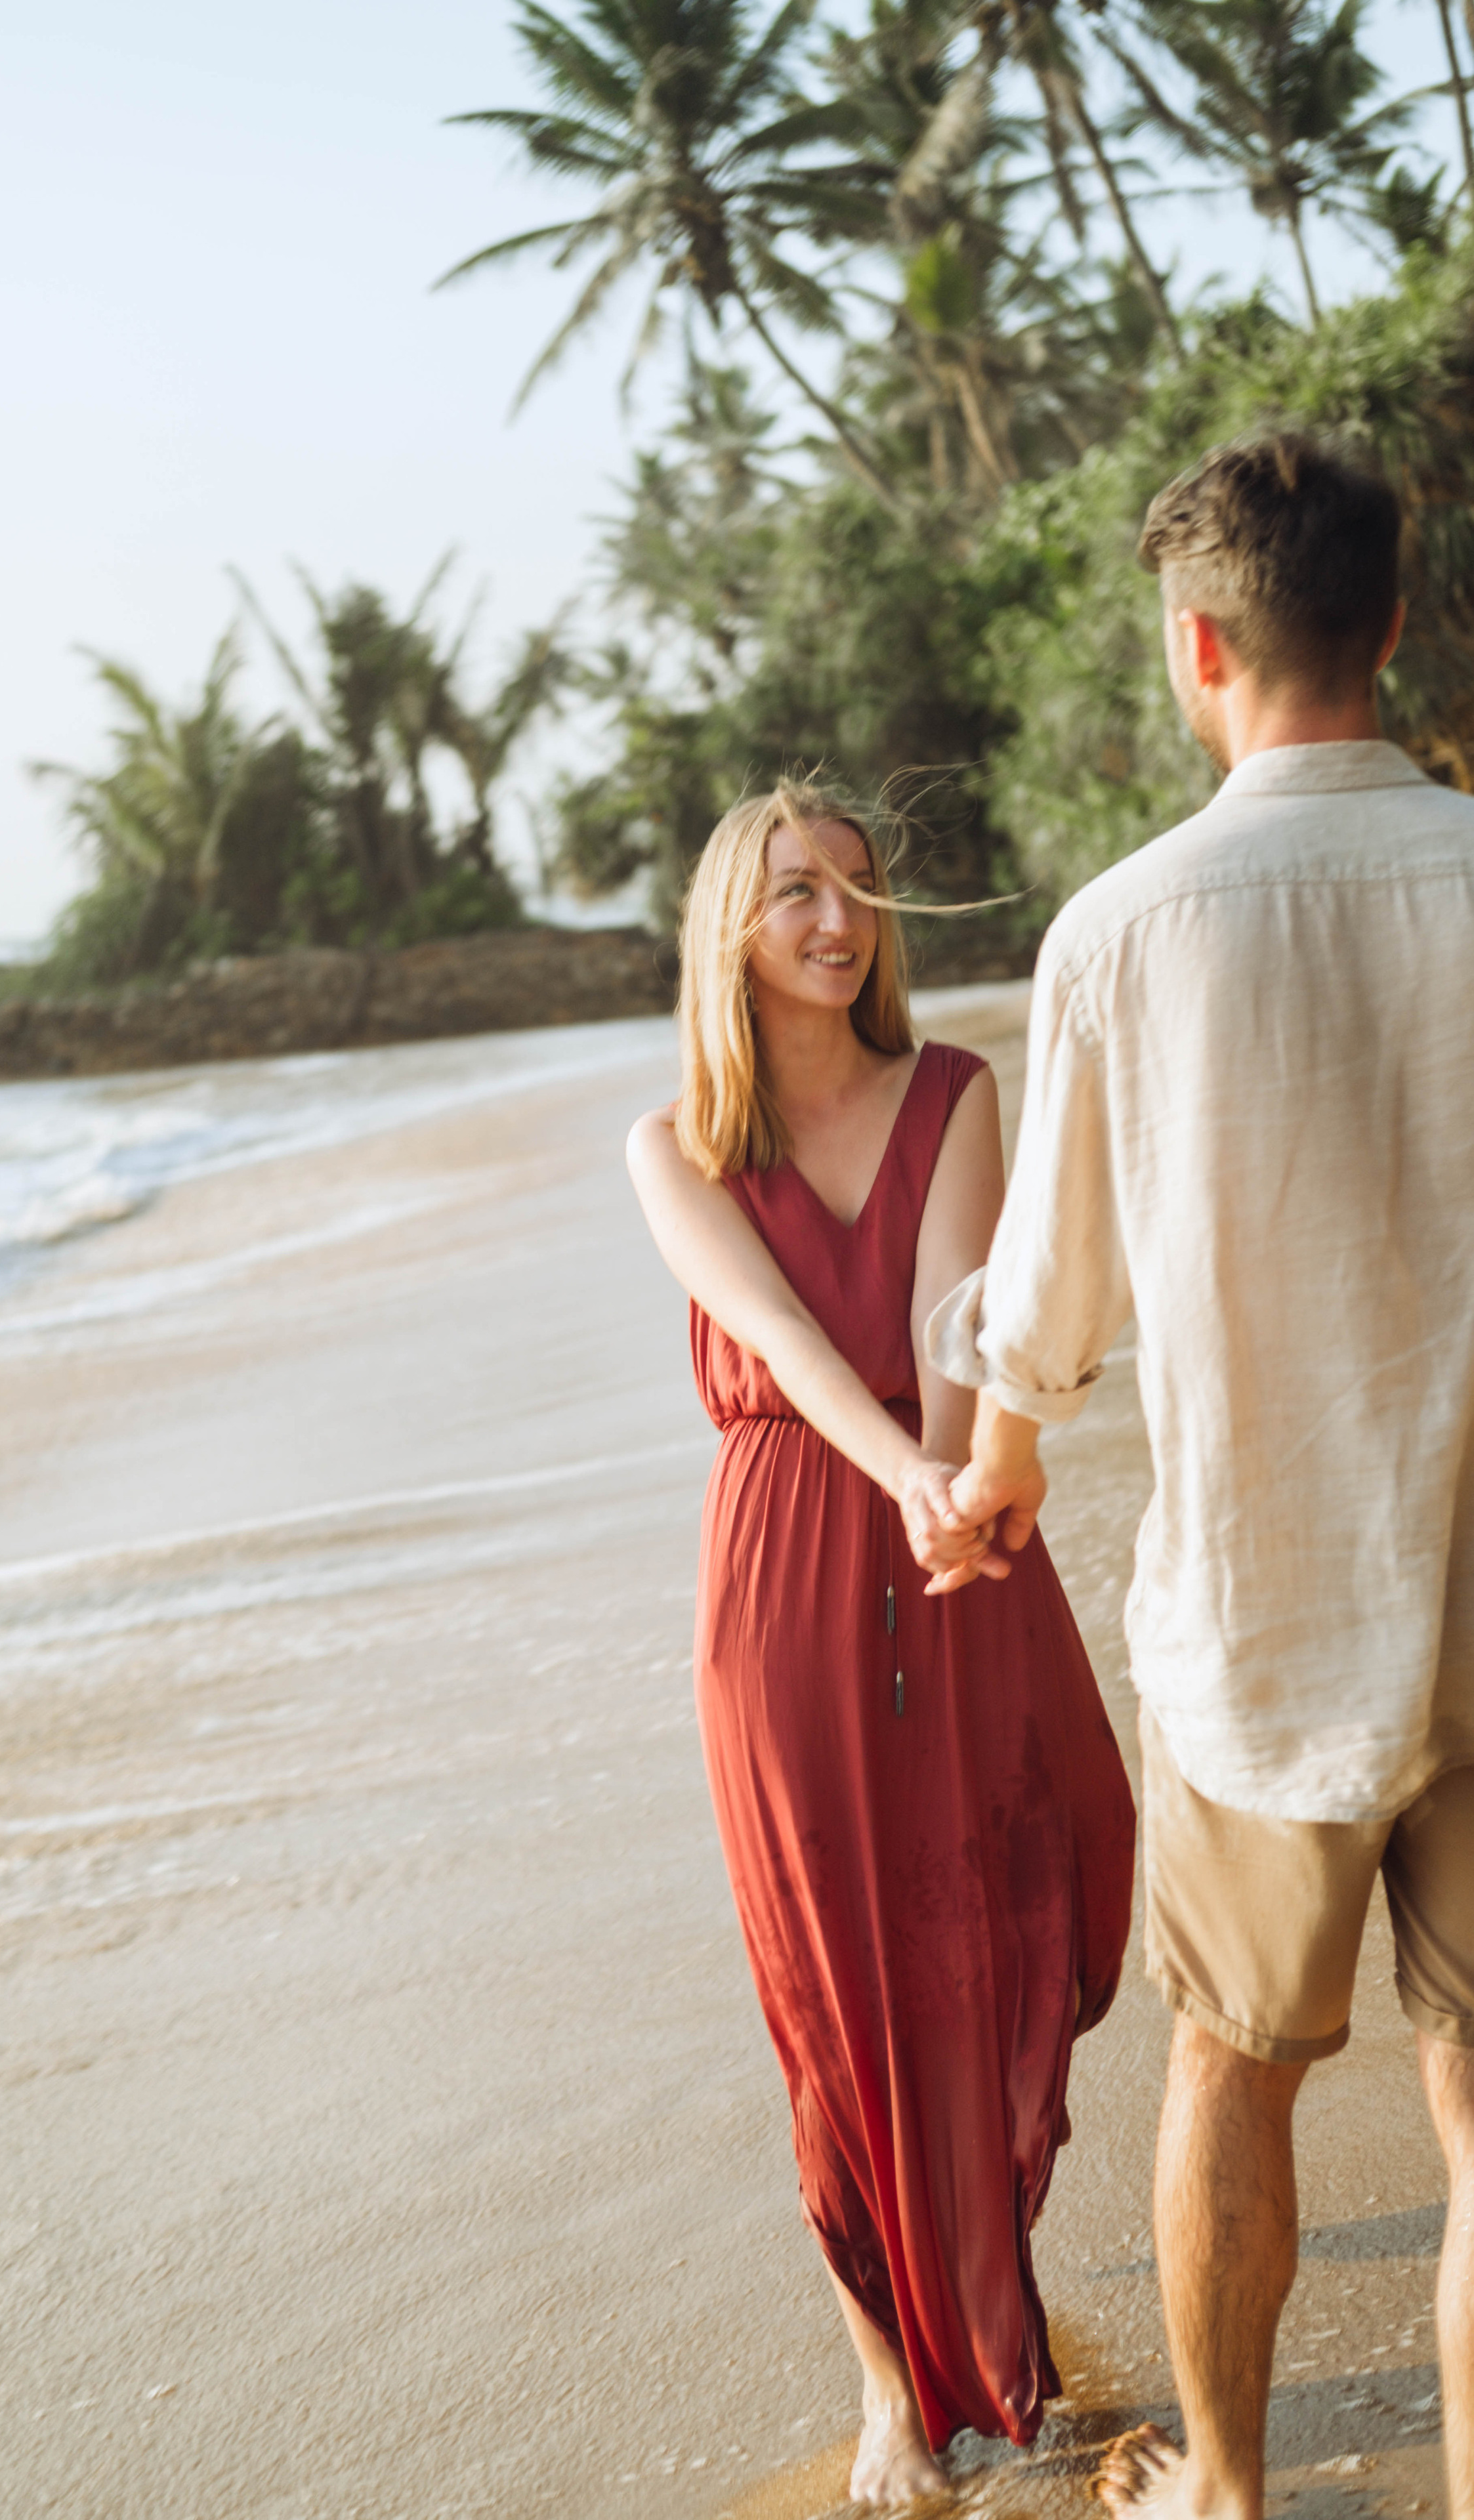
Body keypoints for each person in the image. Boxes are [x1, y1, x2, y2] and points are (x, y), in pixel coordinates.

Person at [921, 436, 1474, 2520]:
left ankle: (1229, 2502)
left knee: (1236, 2066)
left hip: (1266, 1613)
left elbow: (1047, 1307)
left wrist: (989, 1478)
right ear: (1395, 625)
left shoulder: (1124, 932)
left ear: (1199, 646)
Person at [627, 782, 1135, 2506]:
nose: (838, 922)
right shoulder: (672, 1147)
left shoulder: (955, 1096)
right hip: (791, 1574)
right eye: (795, 896)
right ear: (729, 930)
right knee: (830, 1980)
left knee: (998, 1925)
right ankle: (886, 2388)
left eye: (859, 888)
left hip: (961, 1551)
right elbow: (774, 1325)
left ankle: (990, 2285)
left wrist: (946, 1475)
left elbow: (947, 1316)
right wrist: (910, 1470)